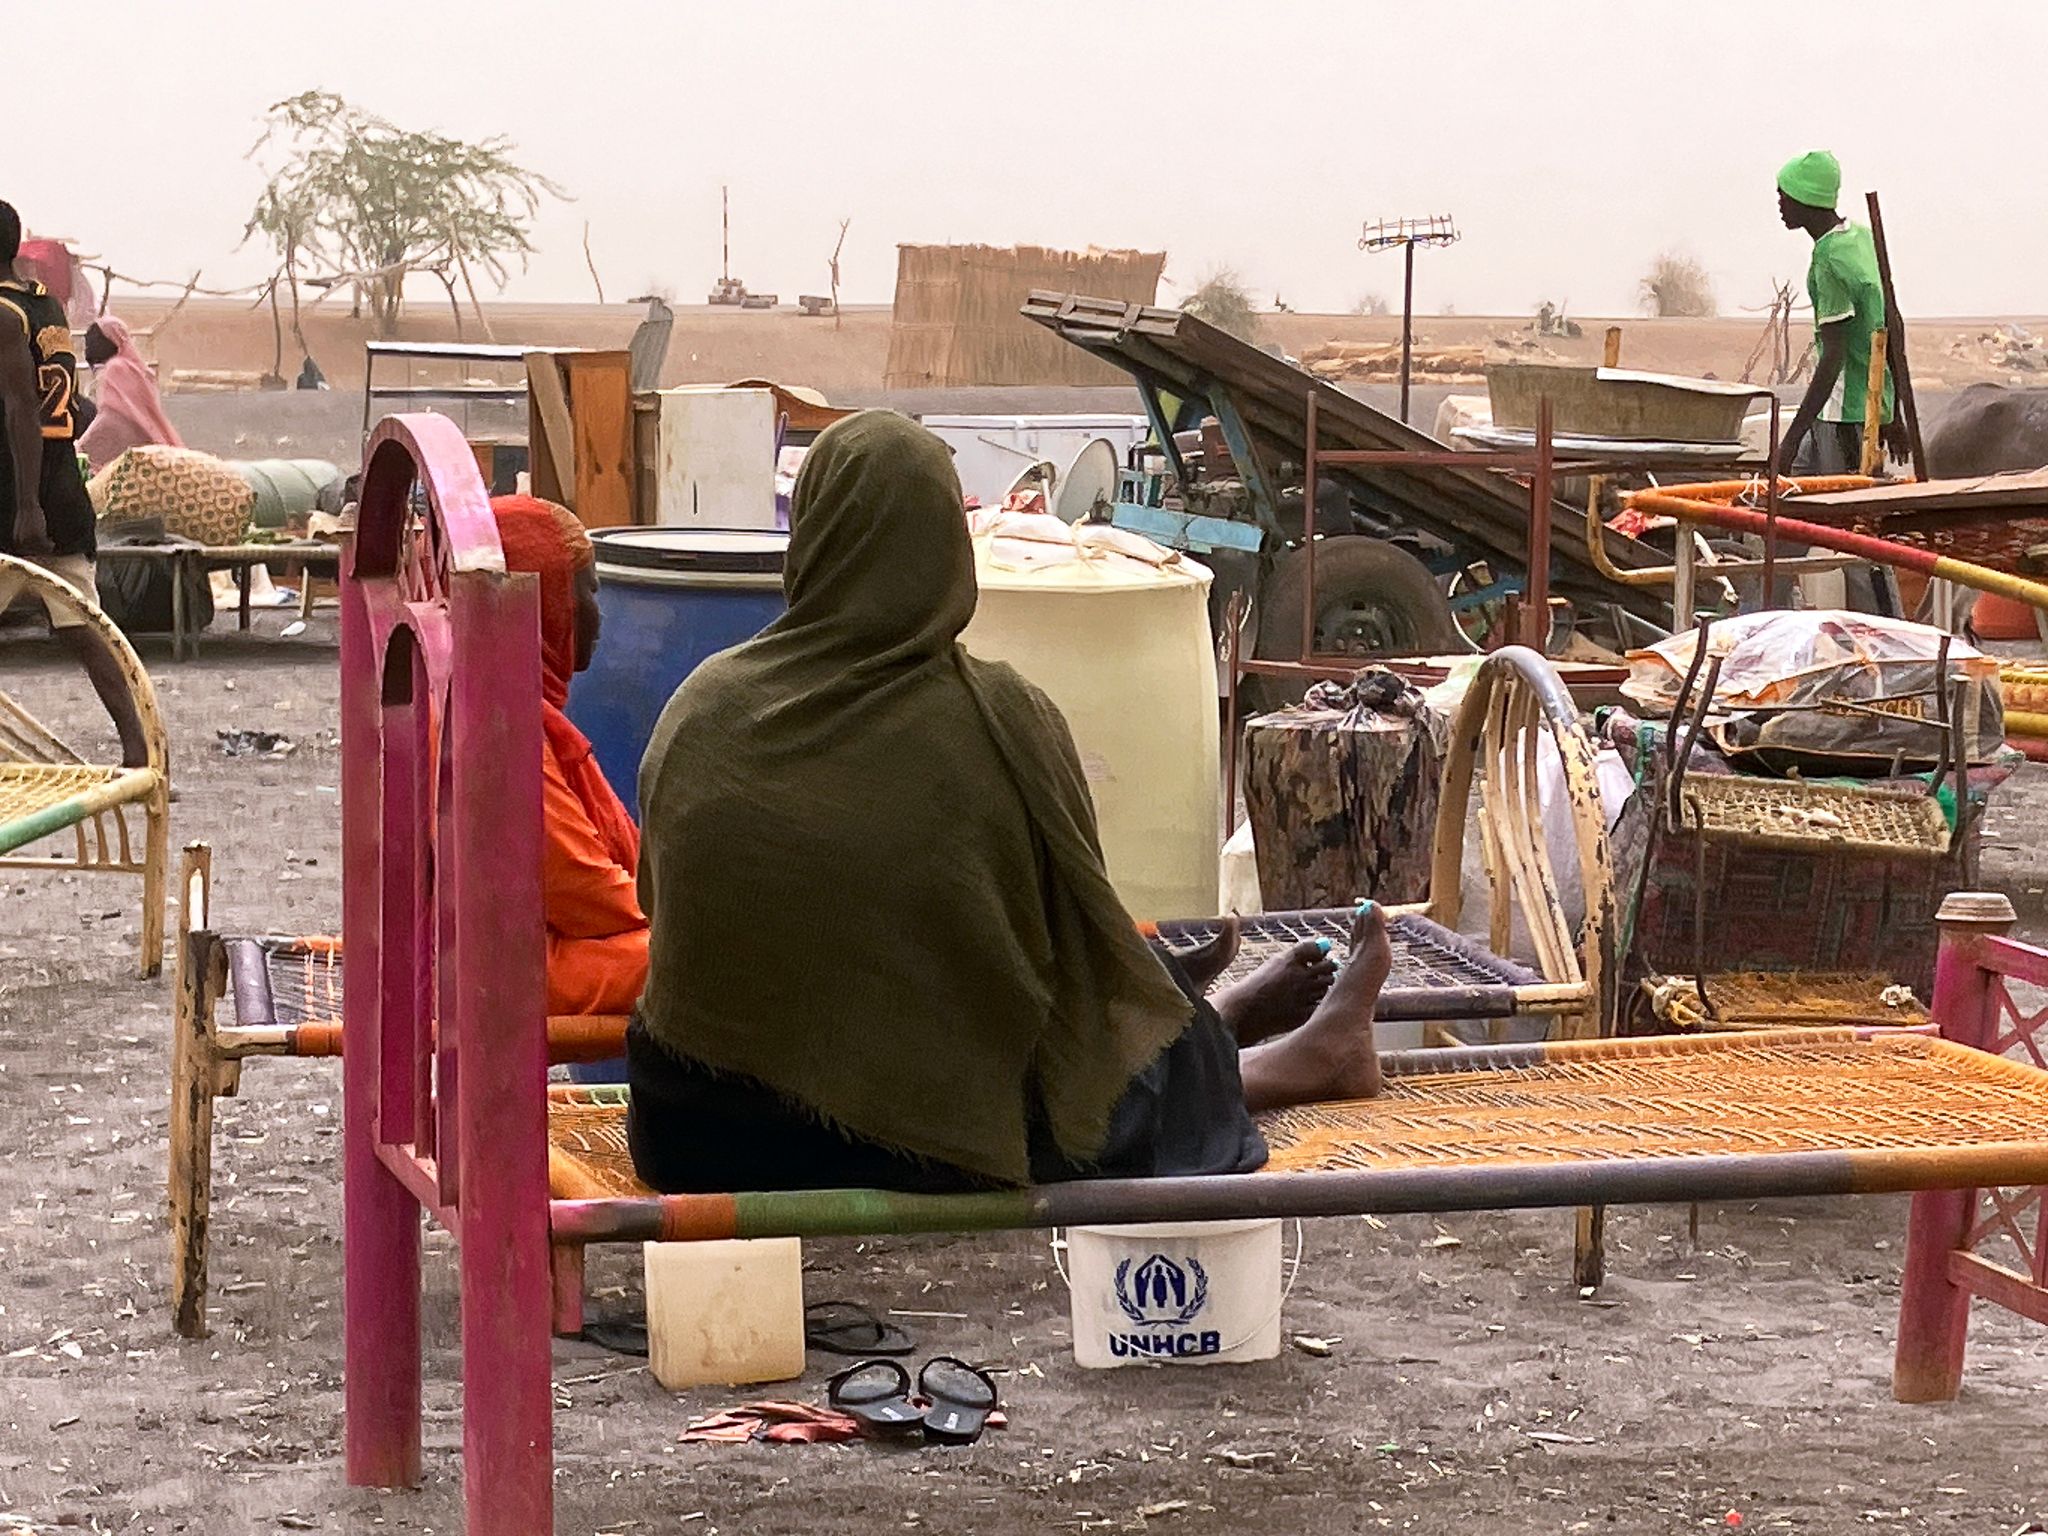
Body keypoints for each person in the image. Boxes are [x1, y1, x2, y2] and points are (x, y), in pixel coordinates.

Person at [626, 410, 1392, 1197]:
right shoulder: (999, 716)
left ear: (812, 537)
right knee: (1097, 1078)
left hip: (687, 1124)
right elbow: (1067, 940)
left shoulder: (703, 704)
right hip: (897, 1137)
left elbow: (664, 903)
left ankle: (1205, 1023)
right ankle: (1289, 1059)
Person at [0, 199, 148, 768]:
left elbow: (20, 410)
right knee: (85, 629)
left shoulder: (4, 315)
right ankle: (138, 748)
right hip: (62, 486)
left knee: (84, 629)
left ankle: (139, 749)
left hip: (20, 495)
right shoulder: (45, 305)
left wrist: (26, 506)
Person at [489, 493, 649, 1017]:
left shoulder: (501, 698)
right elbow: (586, 897)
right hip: (504, 968)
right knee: (723, 962)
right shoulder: (503, 727)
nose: (600, 618)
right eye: (589, 593)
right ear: (548, 605)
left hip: (508, 946)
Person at [1775, 151, 1899, 474]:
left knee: (1838, 512)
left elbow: (1833, 357)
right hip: (1867, 407)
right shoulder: (1860, 238)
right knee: (1786, 491)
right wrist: (1894, 410)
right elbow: (1892, 324)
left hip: (1842, 417)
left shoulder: (1828, 260)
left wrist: (1789, 440)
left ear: (1805, 198)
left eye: (1783, 195)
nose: (1779, 203)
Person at [76, 314, 182, 470]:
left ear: (109, 341)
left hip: (137, 456)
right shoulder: (134, 369)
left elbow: (112, 420)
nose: (88, 349)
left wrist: (82, 447)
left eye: (94, 341)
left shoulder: (116, 369)